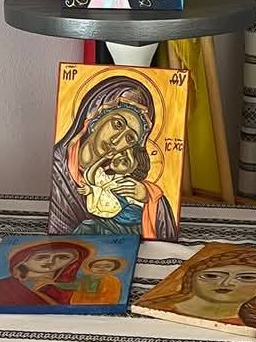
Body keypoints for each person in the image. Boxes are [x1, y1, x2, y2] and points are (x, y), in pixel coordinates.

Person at [49, 74, 177, 239]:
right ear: (95, 119)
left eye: (130, 138)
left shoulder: (116, 176)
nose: (117, 141)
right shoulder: (60, 168)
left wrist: (147, 196)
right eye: (117, 124)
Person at [142, 247, 256, 328]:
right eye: (211, 276)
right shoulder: (154, 306)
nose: (226, 283)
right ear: (191, 278)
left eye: (247, 278)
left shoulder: (252, 323)